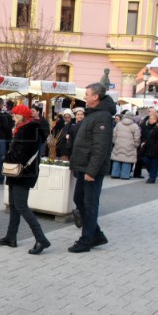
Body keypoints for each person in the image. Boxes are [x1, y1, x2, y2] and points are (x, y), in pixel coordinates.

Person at [0, 104, 50, 255]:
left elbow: (23, 153)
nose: (13, 117)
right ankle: (11, 237)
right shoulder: (22, 128)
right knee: (13, 205)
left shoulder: (30, 129)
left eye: (15, 115)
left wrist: (7, 157)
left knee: (21, 205)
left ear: (23, 116)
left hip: (24, 173)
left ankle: (41, 238)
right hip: (17, 172)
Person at [68, 82, 114, 253]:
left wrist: (91, 171)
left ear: (95, 97)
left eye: (87, 94)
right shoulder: (93, 114)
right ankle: (96, 234)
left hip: (91, 169)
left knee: (90, 203)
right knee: (79, 199)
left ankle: (86, 239)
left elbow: (100, 147)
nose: (84, 96)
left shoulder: (102, 117)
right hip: (83, 166)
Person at [110, 110, 140, 180]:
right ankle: (125, 175)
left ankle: (115, 174)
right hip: (130, 145)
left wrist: (115, 141)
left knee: (117, 158)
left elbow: (114, 134)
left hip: (118, 144)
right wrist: (136, 144)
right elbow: (137, 137)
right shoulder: (135, 126)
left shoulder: (119, 124)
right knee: (127, 159)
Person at [139, 111, 158, 183]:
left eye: (152, 119)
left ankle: (152, 178)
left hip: (157, 147)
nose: (150, 120)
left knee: (155, 163)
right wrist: (143, 141)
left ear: (157, 119)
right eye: (150, 119)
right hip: (147, 147)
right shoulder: (147, 126)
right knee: (146, 160)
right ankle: (153, 173)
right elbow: (144, 135)